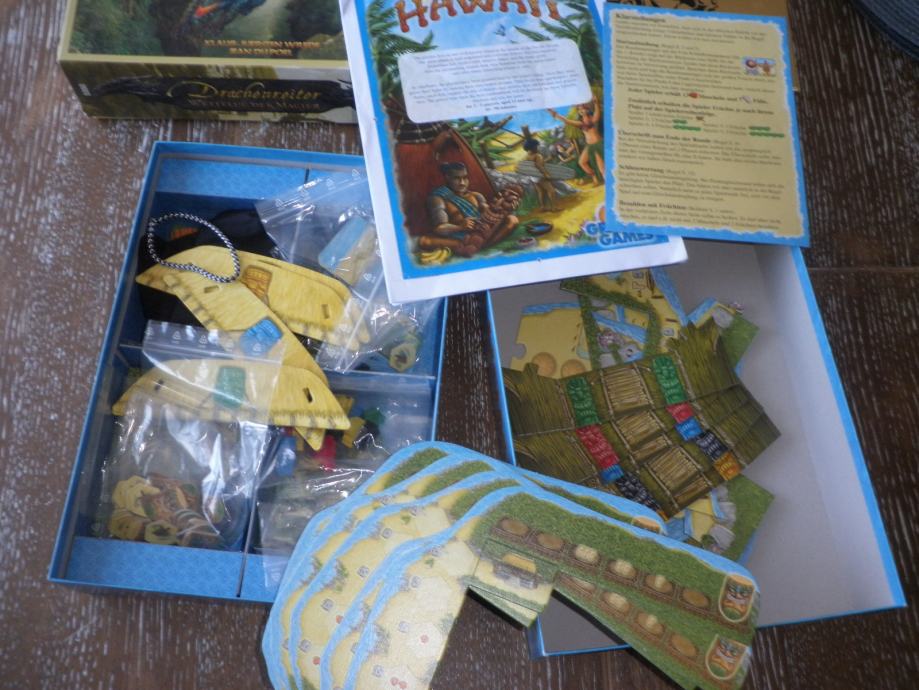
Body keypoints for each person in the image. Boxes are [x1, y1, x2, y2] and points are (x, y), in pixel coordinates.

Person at [548, 94, 604, 186]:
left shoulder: (593, 119)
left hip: (598, 144)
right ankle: (594, 176)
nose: (581, 110)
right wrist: (555, 114)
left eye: (582, 108)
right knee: (582, 162)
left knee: (601, 167)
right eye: (579, 109)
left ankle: (600, 180)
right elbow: (566, 121)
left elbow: (597, 112)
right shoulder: (580, 123)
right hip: (590, 146)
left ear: (587, 110)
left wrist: (596, 102)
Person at [523, 138, 558, 212]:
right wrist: (546, 174)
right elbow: (540, 166)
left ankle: (542, 207)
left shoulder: (526, 156)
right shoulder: (537, 155)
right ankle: (554, 207)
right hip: (540, 176)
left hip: (533, 177)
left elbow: (530, 166)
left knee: (540, 191)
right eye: (536, 146)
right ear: (533, 147)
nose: (537, 147)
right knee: (551, 191)